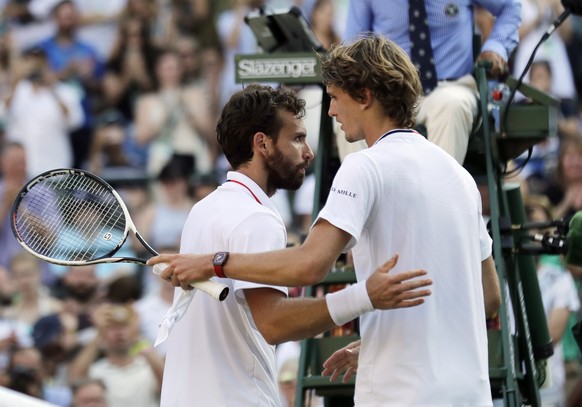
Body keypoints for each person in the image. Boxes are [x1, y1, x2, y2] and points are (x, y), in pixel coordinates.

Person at [150, 34, 501, 405]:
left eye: (334, 97)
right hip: (470, 394)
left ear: (364, 96)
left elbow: (311, 264)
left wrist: (212, 262)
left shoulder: (363, 166)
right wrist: (381, 338)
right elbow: (490, 296)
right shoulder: (460, 176)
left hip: (401, 392)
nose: (331, 112)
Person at [150, 82, 432, 406]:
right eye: (297, 138)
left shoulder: (202, 210)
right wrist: (364, 297)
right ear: (262, 144)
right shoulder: (257, 218)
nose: (308, 152)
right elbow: (274, 323)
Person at [340, 0, 521, 165]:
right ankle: (365, 193)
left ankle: (437, 197)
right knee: (352, 108)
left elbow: (510, 5)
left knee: (451, 105)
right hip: (389, 90)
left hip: (450, 85)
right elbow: (352, 47)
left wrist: (496, 47)